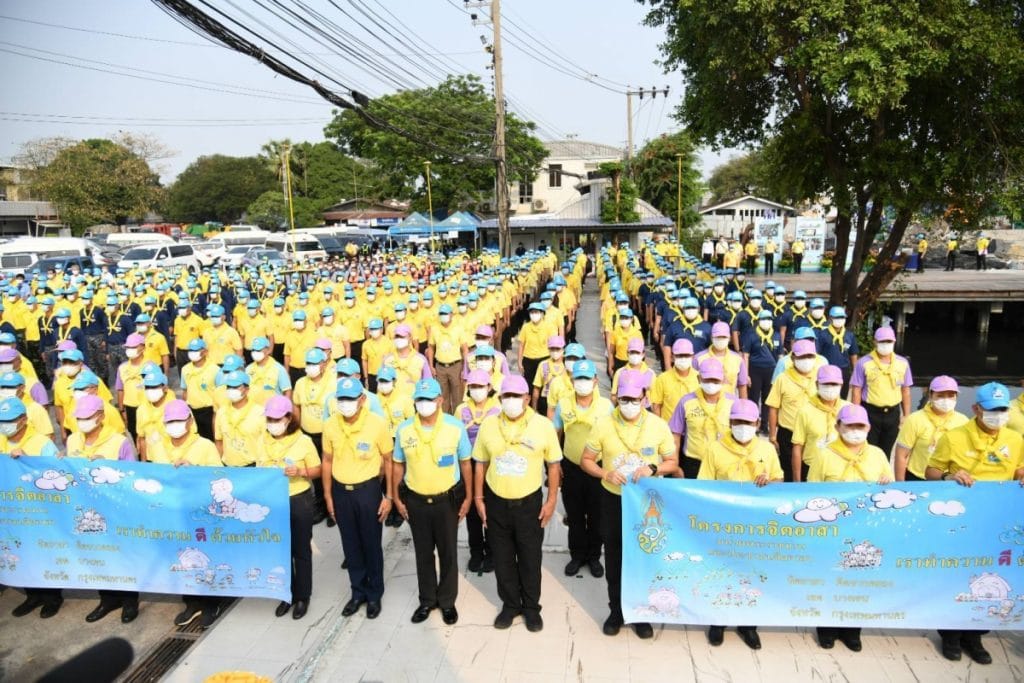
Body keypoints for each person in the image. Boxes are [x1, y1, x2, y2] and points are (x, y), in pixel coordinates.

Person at [926, 382, 1024, 664]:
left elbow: (1018, 467)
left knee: (993, 577)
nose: (998, 415)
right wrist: (949, 478)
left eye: (1003, 409)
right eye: (991, 410)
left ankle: (975, 635)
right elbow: (931, 471)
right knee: (958, 575)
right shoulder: (954, 437)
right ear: (976, 409)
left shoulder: (1016, 439)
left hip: (998, 522)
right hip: (961, 521)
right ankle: (951, 635)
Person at [580, 378, 676, 639]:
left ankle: (641, 613)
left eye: (634, 399)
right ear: (617, 399)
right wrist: (604, 473)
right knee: (614, 557)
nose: (629, 404)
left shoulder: (657, 426)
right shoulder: (603, 424)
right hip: (612, 499)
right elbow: (585, 460)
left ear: (644, 397)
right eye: (624, 399)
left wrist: (652, 468)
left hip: (647, 505)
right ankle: (616, 611)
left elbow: (672, 461)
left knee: (643, 558)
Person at [472, 375, 561, 632]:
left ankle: (532, 607)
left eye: (515, 396)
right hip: (496, 501)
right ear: (499, 399)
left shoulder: (542, 425)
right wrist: (479, 498)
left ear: (526, 398)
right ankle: (510, 605)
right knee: (502, 558)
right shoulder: (489, 425)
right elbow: (480, 463)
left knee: (530, 558)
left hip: (529, 504)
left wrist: (552, 499)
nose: (510, 401)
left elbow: (553, 466)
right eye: (505, 397)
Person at [698, 398, 782, 649]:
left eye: (747, 422)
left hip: (754, 524)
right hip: (724, 522)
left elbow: (779, 480)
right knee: (721, 570)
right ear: (730, 422)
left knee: (751, 573)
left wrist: (769, 481)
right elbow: (704, 485)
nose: (742, 426)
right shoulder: (715, 448)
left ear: (757, 423)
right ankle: (718, 622)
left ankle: (748, 625)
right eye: (737, 422)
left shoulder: (766, 450)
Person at [807, 404, 891, 652]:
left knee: (860, 580)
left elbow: (889, 493)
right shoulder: (824, 455)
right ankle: (827, 629)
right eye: (850, 426)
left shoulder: (877, 454)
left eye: (860, 426)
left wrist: (886, 484)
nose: (855, 431)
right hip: (833, 529)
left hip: (866, 529)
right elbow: (812, 492)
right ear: (838, 427)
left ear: (868, 428)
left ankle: (853, 631)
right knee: (830, 577)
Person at [393, 379, 472, 626]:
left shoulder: (455, 427)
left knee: (448, 553)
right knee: (423, 553)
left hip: (446, 501)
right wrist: (396, 497)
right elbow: (397, 464)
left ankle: (447, 601)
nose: (424, 405)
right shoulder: (404, 429)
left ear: (440, 400)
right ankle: (427, 600)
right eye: (419, 400)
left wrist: (469, 497)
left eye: (429, 400)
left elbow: (466, 463)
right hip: (416, 501)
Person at [146, 399, 225, 629]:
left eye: (180, 420)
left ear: (190, 421)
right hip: (170, 512)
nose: (175, 425)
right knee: (181, 556)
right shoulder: (158, 445)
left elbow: (217, 478)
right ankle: (191, 602)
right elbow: (152, 473)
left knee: (204, 556)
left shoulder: (205, 446)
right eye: (170, 422)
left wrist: (194, 471)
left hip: (199, 512)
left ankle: (211, 603)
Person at [66, 394, 141, 625]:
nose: (82, 422)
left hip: (115, 508)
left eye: (87, 417)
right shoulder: (72, 441)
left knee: (121, 553)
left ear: (100, 417)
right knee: (97, 553)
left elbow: (132, 477)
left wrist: (107, 468)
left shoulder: (119, 442)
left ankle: (129, 601)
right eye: (79, 418)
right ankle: (108, 599)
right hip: (86, 509)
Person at [322, 377, 393, 620]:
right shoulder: (330, 425)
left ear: (362, 400)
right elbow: (327, 461)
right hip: (341, 492)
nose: (346, 404)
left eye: (351, 399)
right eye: (341, 399)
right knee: (350, 545)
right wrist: (328, 495)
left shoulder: (376, 424)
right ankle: (357, 591)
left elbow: (388, 460)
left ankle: (374, 594)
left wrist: (389, 496)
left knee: (371, 544)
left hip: (368, 490)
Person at [257, 395, 320, 620]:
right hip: (274, 502)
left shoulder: (303, 441)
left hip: (298, 499)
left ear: (288, 418)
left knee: (301, 550)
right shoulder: (262, 440)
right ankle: (287, 594)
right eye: (269, 419)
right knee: (281, 551)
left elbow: (317, 469)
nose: (273, 423)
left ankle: (303, 596)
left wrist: (301, 472)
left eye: (277, 419)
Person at [2, 397, 64, 620]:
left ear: (23, 420)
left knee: (42, 553)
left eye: (9, 420)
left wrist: (28, 462)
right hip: (11, 510)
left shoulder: (41, 443)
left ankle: (52, 598)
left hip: (39, 509)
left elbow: (55, 475)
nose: (4, 425)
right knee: (21, 553)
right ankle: (32, 595)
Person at [553, 359, 613, 578]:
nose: (583, 382)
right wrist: (556, 464)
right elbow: (556, 435)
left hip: (597, 468)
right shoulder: (564, 404)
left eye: (587, 378)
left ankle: (594, 557)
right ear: (572, 380)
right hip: (571, 467)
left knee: (596, 515)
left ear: (595, 381)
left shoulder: (606, 407)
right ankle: (577, 556)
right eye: (579, 378)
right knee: (575, 515)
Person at [455, 369, 500, 573]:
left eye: (480, 386)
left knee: (490, 508)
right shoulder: (461, 410)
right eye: (473, 386)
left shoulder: (497, 409)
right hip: (469, 463)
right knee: (472, 509)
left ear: (489, 387)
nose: (477, 390)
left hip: (490, 464)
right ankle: (476, 552)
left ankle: (492, 552)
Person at [849, 327, 912, 457]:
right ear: (875, 342)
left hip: (892, 413)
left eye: (889, 341)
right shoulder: (864, 363)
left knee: (886, 451)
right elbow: (857, 390)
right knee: (867, 450)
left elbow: (905, 390)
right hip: (870, 412)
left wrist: (906, 415)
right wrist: (856, 414)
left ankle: (883, 475)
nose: (886, 344)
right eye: (882, 341)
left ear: (894, 342)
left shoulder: (902, 363)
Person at [669, 358, 736, 479]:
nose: (711, 383)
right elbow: (675, 435)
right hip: (693, 463)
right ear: (699, 379)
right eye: (707, 379)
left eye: (715, 380)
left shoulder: (733, 403)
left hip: (725, 463)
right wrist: (675, 465)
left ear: (722, 379)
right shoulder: (686, 402)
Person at [894, 375, 968, 481]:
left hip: (950, 479)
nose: (946, 400)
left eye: (951, 395)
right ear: (930, 395)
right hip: (917, 477)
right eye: (940, 395)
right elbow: (901, 455)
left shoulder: (963, 421)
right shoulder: (915, 419)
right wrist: (900, 486)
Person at [766, 339, 819, 482]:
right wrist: (772, 436)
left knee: (812, 473)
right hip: (788, 433)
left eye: (810, 356)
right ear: (793, 357)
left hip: (812, 434)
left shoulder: (820, 378)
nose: (806, 360)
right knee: (789, 474)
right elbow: (773, 408)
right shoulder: (782, 378)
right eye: (802, 357)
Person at [790, 365, 849, 482]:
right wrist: (797, 481)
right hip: (812, 469)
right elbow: (797, 447)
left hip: (841, 470)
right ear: (817, 385)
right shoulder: (805, 411)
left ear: (841, 385)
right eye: (826, 384)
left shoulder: (848, 409)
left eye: (834, 384)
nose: (830, 388)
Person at [213, 371, 265, 467]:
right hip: (228, 467)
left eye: (236, 387)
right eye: (229, 387)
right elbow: (219, 441)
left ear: (247, 389)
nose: (231, 390)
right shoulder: (221, 412)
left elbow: (266, 443)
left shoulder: (260, 413)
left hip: (252, 467)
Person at [428, 303, 465, 414]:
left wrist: (464, 368)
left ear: (451, 315)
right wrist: (431, 366)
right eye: (441, 313)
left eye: (446, 313)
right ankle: (445, 419)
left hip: (455, 366)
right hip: (440, 366)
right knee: (442, 395)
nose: (443, 316)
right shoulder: (434, 329)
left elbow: (465, 349)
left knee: (457, 395)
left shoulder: (458, 328)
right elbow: (431, 348)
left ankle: (458, 418)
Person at [650, 339, 699, 420]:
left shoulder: (699, 378)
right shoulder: (662, 379)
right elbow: (656, 406)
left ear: (692, 357)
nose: (683, 359)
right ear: (672, 357)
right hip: (669, 429)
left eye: (686, 355)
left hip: (692, 429)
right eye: (679, 355)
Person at [815, 306, 859, 394]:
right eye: (837, 317)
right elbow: (816, 354)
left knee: (843, 395)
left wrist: (855, 372)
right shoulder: (822, 335)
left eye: (842, 317)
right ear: (830, 318)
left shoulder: (849, 335)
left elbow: (853, 354)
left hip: (844, 371)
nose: (840, 320)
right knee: (828, 395)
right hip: (827, 370)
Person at [180, 339, 218, 441]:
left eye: (196, 350)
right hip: (192, 411)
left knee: (211, 440)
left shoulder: (215, 370)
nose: (192, 353)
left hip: (209, 411)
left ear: (205, 351)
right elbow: (185, 391)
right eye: (190, 350)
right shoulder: (185, 369)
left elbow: (221, 393)